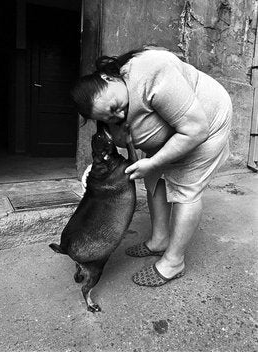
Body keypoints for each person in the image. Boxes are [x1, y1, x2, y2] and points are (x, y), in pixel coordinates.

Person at [72, 46, 232, 287]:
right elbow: (128, 142)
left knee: (185, 189)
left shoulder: (151, 71)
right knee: (153, 179)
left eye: (116, 107)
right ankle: (159, 240)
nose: (118, 114)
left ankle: (174, 260)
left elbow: (196, 130)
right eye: (109, 117)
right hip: (173, 133)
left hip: (206, 123)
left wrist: (155, 160)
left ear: (108, 78)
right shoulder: (111, 111)